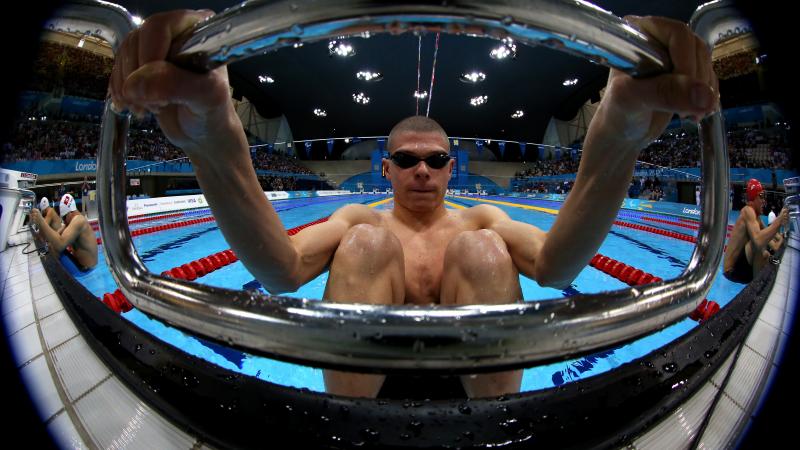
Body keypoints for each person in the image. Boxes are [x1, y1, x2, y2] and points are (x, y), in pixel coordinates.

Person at [109, 11, 719, 398]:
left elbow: (557, 267)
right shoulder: (360, 218)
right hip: (358, 392)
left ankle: (495, 425)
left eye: (435, 160)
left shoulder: (483, 218)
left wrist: (617, 138)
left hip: (484, 390)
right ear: (386, 167)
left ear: (455, 168)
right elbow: (280, 269)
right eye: (405, 160)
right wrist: (215, 141)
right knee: (368, 244)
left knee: (481, 249)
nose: (421, 169)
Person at [724, 179, 788, 284]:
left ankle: (770, 273)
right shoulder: (747, 211)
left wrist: (782, 234)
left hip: (744, 270)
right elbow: (758, 242)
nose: (764, 201)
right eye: (761, 196)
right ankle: (757, 285)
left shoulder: (757, 218)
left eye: (764, 197)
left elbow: (775, 245)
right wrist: (779, 220)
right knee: (759, 245)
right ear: (753, 198)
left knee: (766, 254)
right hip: (732, 271)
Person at [30, 193, 98, 270]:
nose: (64, 222)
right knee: (52, 246)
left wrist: (41, 221)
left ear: (70, 213)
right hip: (81, 267)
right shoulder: (69, 222)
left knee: (57, 249)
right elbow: (54, 237)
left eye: (64, 218)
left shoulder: (79, 220)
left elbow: (60, 245)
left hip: (89, 272)